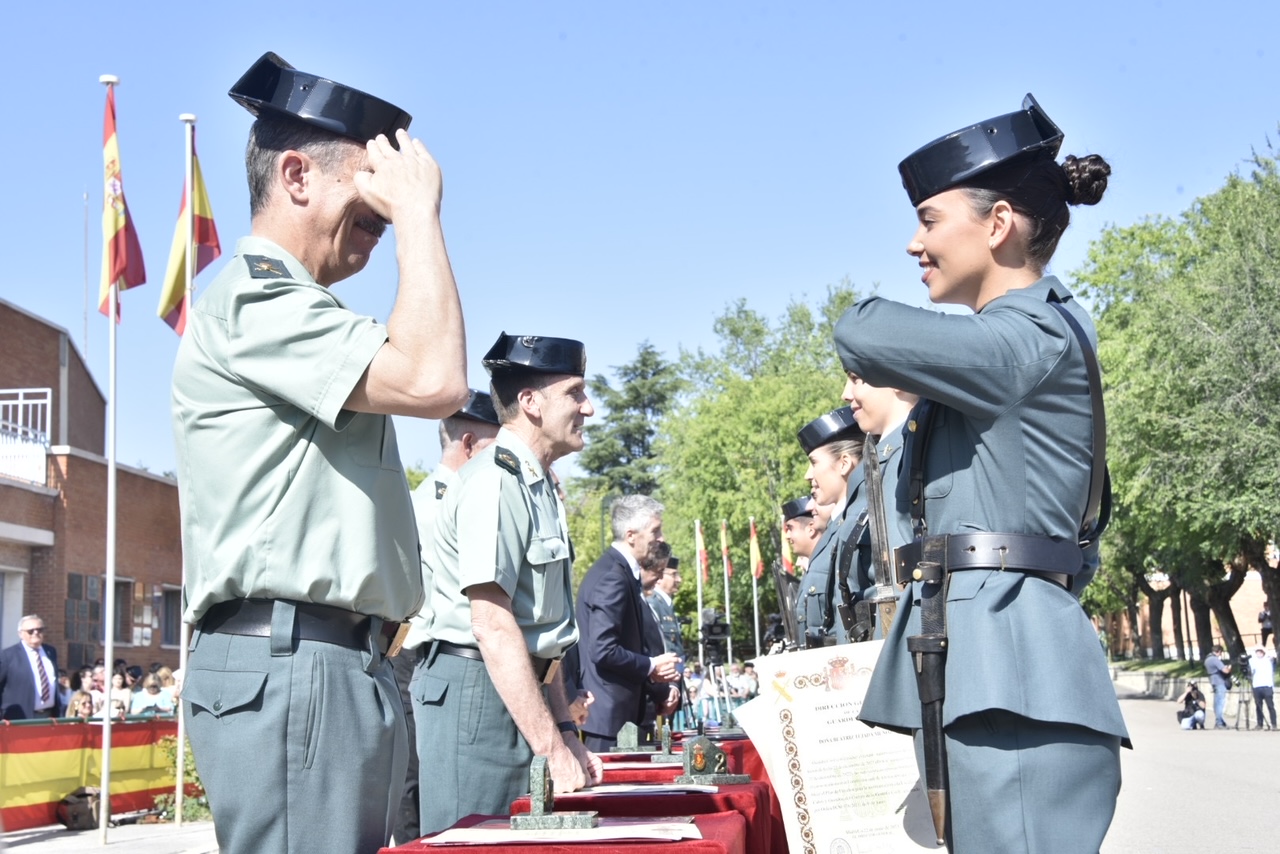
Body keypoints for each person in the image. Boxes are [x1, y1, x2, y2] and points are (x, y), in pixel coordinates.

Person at [171, 52, 467, 854]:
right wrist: (419, 216)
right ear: (297, 174)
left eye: (386, 207)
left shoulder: (298, 312)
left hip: (328, 660)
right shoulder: (256, 299)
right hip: (295, 657)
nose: (377, 222)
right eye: (366, 201)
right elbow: (436, 378)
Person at [837, 94, 1128, 850]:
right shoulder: (1020, 337)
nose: (914, 244)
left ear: (997, 223)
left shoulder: (1027, 333)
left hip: (1014, 672)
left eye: (930, 219)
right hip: (991, 663)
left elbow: (861, 329)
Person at [414, 332, 602, 835]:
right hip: (479, 694)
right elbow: (493, 626)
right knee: (476, 842)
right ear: (530, 402)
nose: (590, 408)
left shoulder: (535, 483)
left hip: (518, 693)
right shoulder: (497, 481)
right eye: (577, 393)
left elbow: (544, 635)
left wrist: (565, 732)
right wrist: (551, 748)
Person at [394, 389, 501, 844]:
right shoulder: (439, 502)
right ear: (471, 443)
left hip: (432, 652)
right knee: (418, 783)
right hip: (420, 652)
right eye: (498, 446)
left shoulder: (433, 497)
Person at [577, 495, 681, 751]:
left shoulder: (619, 571)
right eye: (655, 531)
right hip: (612, 724)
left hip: (619, 721)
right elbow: (603, 650)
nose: (661, 538)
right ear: (631, 535)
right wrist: (651, 665)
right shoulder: (613, 576)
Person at [795, 407, 865, 647]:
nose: (808, 475)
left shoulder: (860, 521)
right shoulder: (838, 526)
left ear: (844, 463)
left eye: (814, 462)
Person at [0, 615, 62, 719]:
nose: (36, 633)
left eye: (40, 630)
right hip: (19, 717)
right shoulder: (8, 655)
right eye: (31, 631)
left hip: (48, 716)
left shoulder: (50, 651)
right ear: (20, 634)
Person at [647, 554, 686, 658]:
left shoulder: (666, 605)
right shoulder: (652, 603)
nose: (679, 580)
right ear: (659, 577)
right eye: (674, 575)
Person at [1247, 644, 1277, 730]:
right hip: (1257, 686)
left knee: (1270, 706)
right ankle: (1259, 724)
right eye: (1257, 652)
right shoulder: (1253, 661)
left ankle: (1274, 724)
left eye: (1260, 651)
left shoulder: (1268, 659)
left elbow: (1273, 655)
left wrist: (1264, 648)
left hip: (1267, 686)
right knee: (1258, 706)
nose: (1259, 653)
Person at [1205, 644, 1233, 728]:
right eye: (1221, 653)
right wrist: (1229, 668)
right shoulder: (1215, 659)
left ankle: (1220, 721)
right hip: (1219, 682)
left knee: (1217, 703)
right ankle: (1219, 722)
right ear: (1219, 652)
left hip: (1213, 681)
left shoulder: (1207, 659)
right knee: (1220, 703)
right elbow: (1225, 671)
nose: (1220, 655)